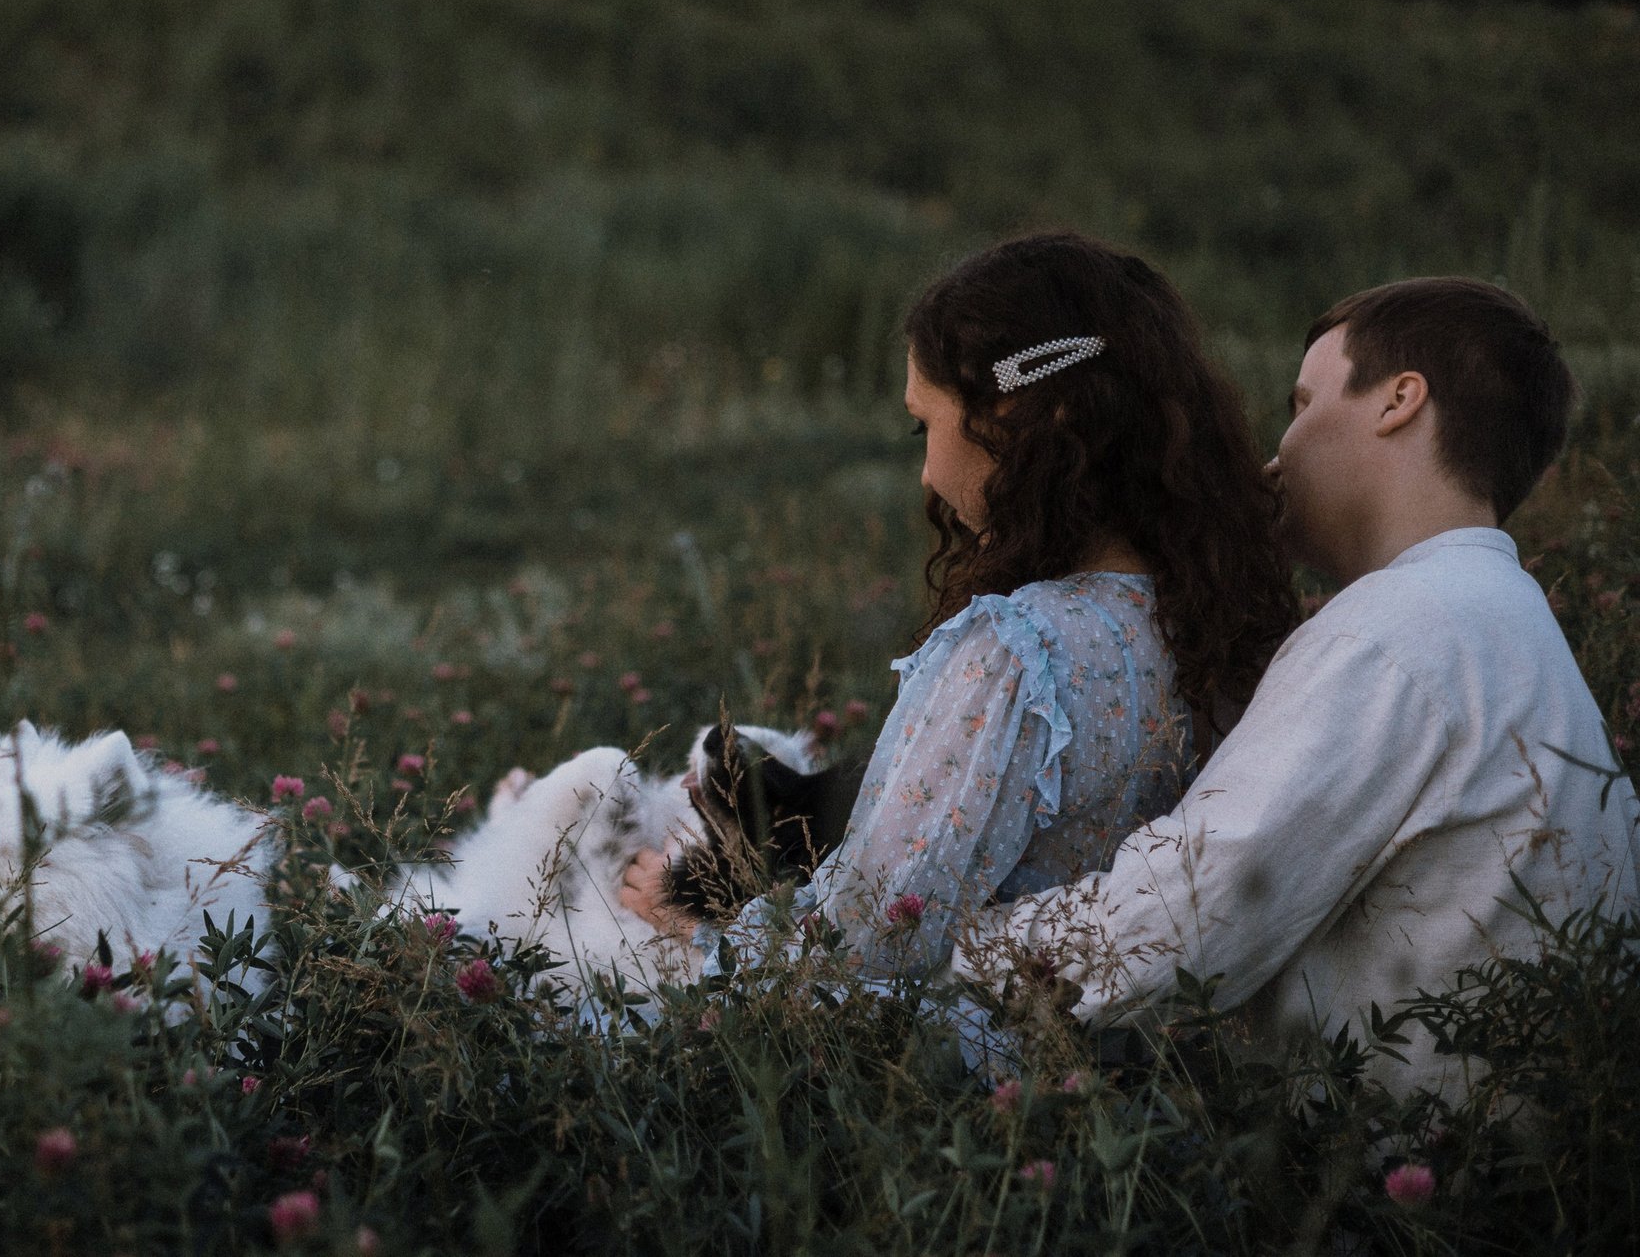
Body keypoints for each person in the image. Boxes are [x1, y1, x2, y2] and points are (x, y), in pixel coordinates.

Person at [948, 277, 1639, 1097]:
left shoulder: (1395, 629)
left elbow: (1177, 923)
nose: (1278, 453)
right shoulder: (1499, 617)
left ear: (1399, 401)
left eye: (1303, 402)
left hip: (1382, 1191)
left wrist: (950, 948)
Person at [621, 231, 1301, 977]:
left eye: (927, 423)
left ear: (1020, 416)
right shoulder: (1220, 622)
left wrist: (690, 912)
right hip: (1150, 1059)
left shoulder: (1019, 651)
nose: (924, 472)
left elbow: (874, 935)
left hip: (983, 1066)